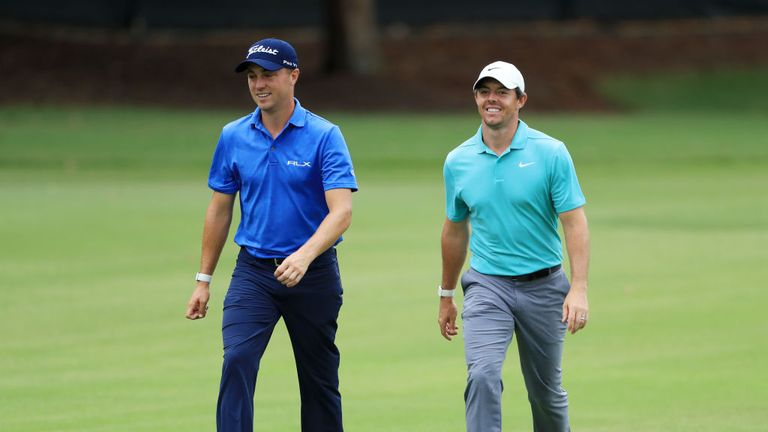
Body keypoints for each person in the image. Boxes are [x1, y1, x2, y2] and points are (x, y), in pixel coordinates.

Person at [185, 38, 357, 432]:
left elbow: (341, 212)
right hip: (254, 274)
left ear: (293, 76)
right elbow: (220, 208)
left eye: (269, 75)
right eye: (253, 76)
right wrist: (203, 279)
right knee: (238, 360)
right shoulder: (233, 135)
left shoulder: (324, 135)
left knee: (319, 379)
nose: (259, 84)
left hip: (313, 275)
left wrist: (304, 256)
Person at [437, 61, 590, 432]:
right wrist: (445, 293)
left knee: (546, 393)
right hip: (488, 286)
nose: (492, 100)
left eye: (501, 92)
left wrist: (579, 288)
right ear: (476, 98)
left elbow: (574, 221)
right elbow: (455, 231)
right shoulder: (458, 161)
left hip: (545, 286)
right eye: (484, 91)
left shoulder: (551, 152)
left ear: (520, 100)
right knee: (483, 376)